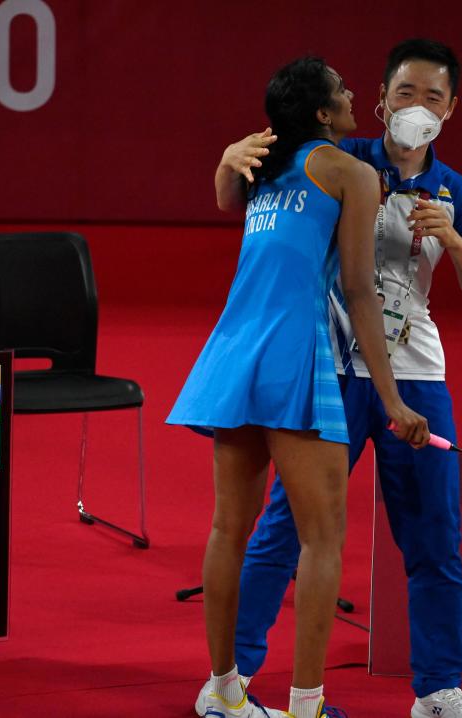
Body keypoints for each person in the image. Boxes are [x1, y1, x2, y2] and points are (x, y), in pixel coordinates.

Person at [197, 39, 462, 718]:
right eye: (404, 93)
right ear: (377, 100)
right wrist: (227, 158)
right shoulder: (342, 159)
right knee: (286, 529)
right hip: (330, 368)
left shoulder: (459, 194)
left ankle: (438, 690)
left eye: (431, 97)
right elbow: (256, 191)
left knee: (433, 537)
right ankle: (236, 676)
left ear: (452, 108)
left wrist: (451, 239)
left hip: (416, 372)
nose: (415, 108)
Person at [167, 55, 429, 718]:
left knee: (230, 527)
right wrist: (394, 399)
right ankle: (306, 705)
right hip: (294, 358)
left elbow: (227, 197)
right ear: (322, 112)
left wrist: (228, 158)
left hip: (233, 352)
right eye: (342, 90)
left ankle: (224, 691)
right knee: (322, 537)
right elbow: (360, 290)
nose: (351, 97)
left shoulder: (264, 164)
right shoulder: (352, 173)